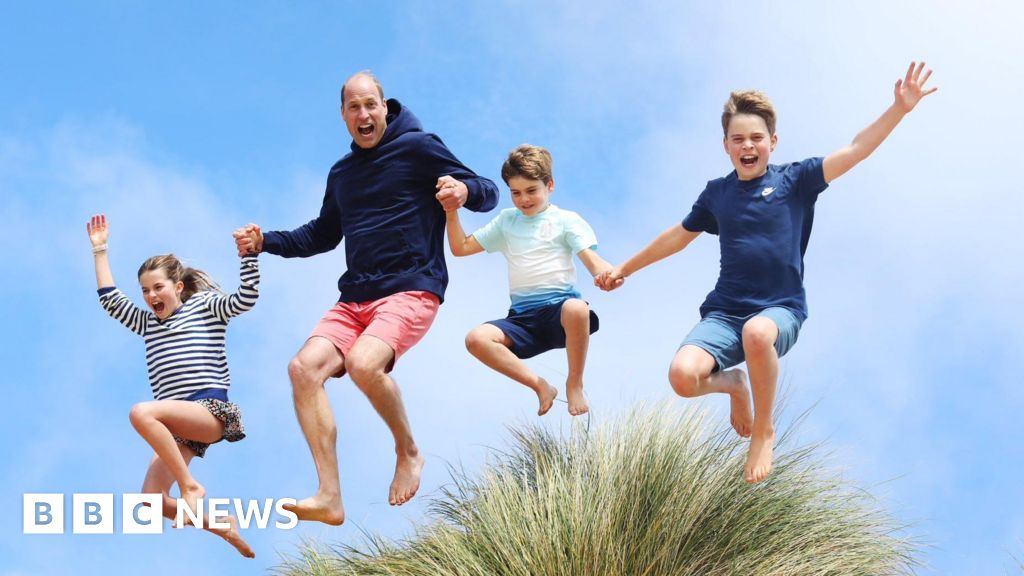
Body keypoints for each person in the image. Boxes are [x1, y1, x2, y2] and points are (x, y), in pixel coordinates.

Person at [597, 62, 937, 484]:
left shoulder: (797, 180)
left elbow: (856, 148)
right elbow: (677, 237)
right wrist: (624, 268)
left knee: (758, 333)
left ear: (772, 142)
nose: (748, 145)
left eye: (756, 138)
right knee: (683, 377)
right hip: (724, 314)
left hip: (780, 309)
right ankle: (735, 385)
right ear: (725, 145)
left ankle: (764, 429)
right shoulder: (717, 193)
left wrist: (899, 110)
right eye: (738, 139)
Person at [233, 71, 498, 525]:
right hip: (355, 298)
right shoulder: (343, 173)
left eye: (370, 104)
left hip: (412, 287)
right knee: (302, 369)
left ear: (384, 106)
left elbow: (488, 192)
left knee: (362, 363)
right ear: (343, 115)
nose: (363, 114)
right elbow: (321, 234)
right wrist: (265, 242)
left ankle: (408, 451)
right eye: (354, 107)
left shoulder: (418, 148)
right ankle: (329, 496)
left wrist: (462, 190)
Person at [87, 214, 258, 558]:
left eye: (158, 287)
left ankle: (190, 486)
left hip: (209, 410)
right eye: (145, 291)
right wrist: (100, 250)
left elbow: (245, 300)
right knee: (150, 502)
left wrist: (250, 257)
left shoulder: (204, 307)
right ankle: (219, 524)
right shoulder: (147, 323)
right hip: (178, 426)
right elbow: (109, 299)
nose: (151, 296)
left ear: (178, 287)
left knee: (141, 413)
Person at [443, 144, 609, 417]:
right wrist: (451, 211)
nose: (524, 199)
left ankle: (574, 382)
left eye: (532, 190)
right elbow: (460, 247)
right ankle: (540, 385)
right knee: (476, 339)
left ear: (550, 185)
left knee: (578, 307)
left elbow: (591, 260)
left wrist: (604, 274)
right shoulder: (507, 221)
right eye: (516, 193)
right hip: (523, 320)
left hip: (560, 315)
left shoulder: (566, 220)